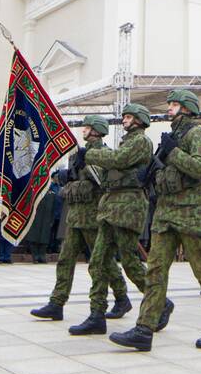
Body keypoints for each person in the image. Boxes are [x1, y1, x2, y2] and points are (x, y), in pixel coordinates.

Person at [110, 89, 201, 351]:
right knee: (155, 271)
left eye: (174, 104)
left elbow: (200, 168)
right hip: (165, 213)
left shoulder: (199, 135)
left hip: (191, 212)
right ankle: (144, 329)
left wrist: (173, 152)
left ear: (187, 108)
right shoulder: (171, 137)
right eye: (170, 104)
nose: (170, 108)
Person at [32, 113, 132, 333]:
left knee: (102, 263)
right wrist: (69, 176)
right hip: (76, 217)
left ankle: (122, 297)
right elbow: (74, 185)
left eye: (86, 127)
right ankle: (57, 303)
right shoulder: (79, 154)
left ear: (95, 130)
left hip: (93, 218)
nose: (83, 130)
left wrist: (84, 168)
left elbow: (102, 183)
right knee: (65, 260)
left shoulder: (102, 154)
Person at [67, 106, 151, 333]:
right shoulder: (127, 141)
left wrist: (90, 155)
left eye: (129, 117)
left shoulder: (140, 142)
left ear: (140, 120)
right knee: (98, 261)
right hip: (111, 205)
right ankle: (96, 315)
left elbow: (118, 160)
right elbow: (107, 175)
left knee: (131, 263)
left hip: (128, 206)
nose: (124, 120)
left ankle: (158, 302)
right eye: (124, 116)